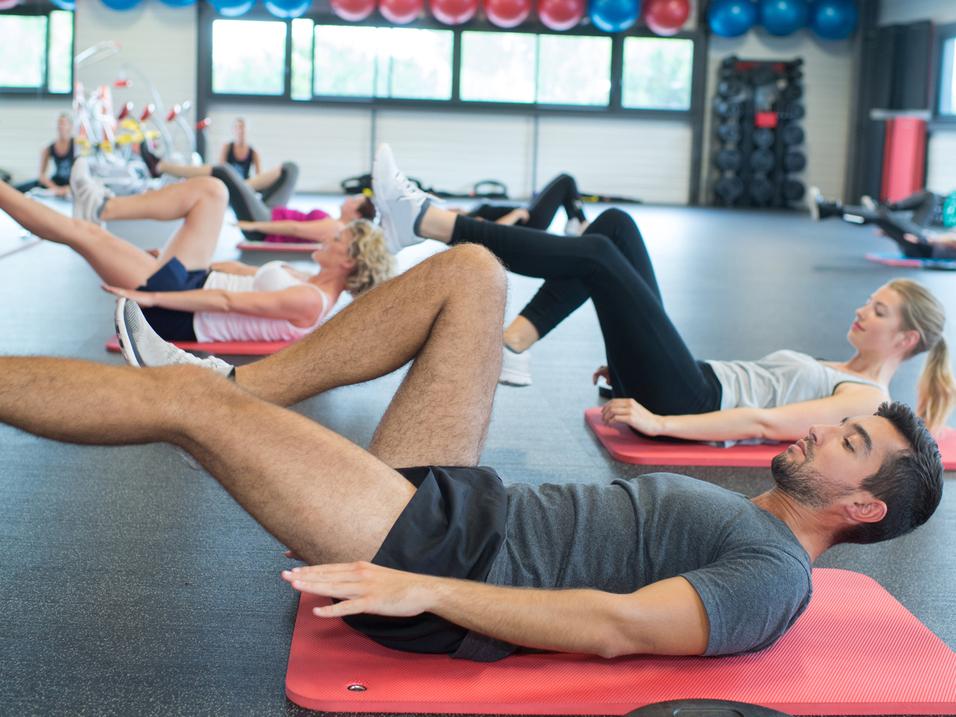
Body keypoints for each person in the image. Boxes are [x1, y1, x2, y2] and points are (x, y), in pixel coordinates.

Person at [7, 245, 944, 664]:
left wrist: (431, 590)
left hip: (439, 551)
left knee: (181, 405)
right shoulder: (758, 524)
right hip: (463, 500)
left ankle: (211, 394)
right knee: (472, 276)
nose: (823, 426)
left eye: (849, 441)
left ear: (862, 508)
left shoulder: (775, 576)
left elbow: (618, 625)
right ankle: (240, 389)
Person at [363, 145, 956, 436]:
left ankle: (425, 220)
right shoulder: (843, 365)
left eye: (878, 311)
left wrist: (660, 423)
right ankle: (511, 346)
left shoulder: (865, 398)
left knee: (597, 255)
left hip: (688, 401)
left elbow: (766, 425)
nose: (861, 309)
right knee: (614, 228)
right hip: (687, 377)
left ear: (906, 338)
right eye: (869, 300)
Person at [0, 160, 392, 344]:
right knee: (213, 190)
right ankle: (104, 207)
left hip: (175, 311)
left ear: (348, 261)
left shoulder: (309, 300)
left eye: (337, 241)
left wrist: (152, 295)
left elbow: (224, 302)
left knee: (81, 234)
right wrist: (166, 258)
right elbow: (237, 277)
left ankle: (90, 212)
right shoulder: (313, 283)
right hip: (192, 281)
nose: (329, 239)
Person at [809, 187, 956, 260]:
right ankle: (884, 208)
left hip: (925, 247)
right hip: (926, 238)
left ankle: (829, 210)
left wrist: (928, 239)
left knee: (880, 217)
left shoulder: (928, 241)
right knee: (930, 197)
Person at [459, 173, 589, 235]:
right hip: (531, 221)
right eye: (449, 211)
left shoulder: (469, 212)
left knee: (565, 185)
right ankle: (582, 222)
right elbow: (491, 229)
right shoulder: (469, 219)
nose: (451, 208)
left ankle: (574, 221)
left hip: (529, 212)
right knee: (566, 180)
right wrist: (516, 214)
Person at [14, 113, 74, 197]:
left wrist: (69, 188)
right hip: (56, 182)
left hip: (72, 184)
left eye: (63, 123)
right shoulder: (48, 148)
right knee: (17, 188)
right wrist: (55, 188)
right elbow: (41, 176)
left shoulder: (77, 146)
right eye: (59, 123)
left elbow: (85, 175)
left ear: (70, 126)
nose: (61, 126)